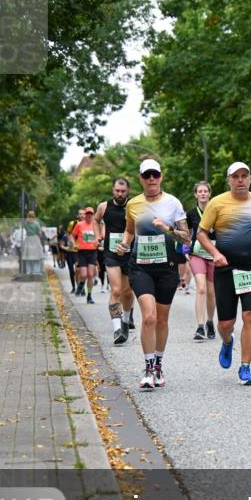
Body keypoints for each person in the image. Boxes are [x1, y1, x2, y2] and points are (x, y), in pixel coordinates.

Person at [196, 162, 251, 386]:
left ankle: (245, 367)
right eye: (235, 177)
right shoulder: (217, 202)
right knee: (225, 325)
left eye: (244, 176)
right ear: (229, 180)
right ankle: (228, 341)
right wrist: (214, 253)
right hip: (225, 268)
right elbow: (201, 233)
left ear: (250, 179)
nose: (240, 180)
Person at [115, 159, 189, 390]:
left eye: (155, 175)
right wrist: (124, 244)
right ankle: (147, 368)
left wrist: (166, 229)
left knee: (162, 319)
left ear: (161, 177)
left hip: (167, 267)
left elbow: (186, 238)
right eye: (146, 176)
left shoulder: (173, 203)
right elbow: (129, 231)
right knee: (149, 317)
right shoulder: (133, 204)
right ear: (140, 179)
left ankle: (158, 364)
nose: (151, 180)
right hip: (140, 267)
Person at [95, 177, 136, 345]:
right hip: (111, 253)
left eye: (123, 191)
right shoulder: (104, 207)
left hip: (129, 253)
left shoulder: (133, 207)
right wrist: (98, 235)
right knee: (117, 290)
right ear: (113, 190)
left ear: (128, 191)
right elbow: (96, 221)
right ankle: (117, 329)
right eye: (117, 191)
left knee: (127, 292)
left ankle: (126, 320)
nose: (120, 194)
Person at [185, 181, 217, 341]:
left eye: (205, 191)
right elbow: (184, 233)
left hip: (213, 255)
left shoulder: (217, 211)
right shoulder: (191, 214)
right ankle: (199, 326)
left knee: (211, 292)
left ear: (209, 194)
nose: (203, 193)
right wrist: (184, 247)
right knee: (202, 288)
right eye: (200, 191)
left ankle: (210, 322)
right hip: (197, 254)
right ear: (196, 194)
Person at [71, 208, 99, 301]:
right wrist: (74, 244)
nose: (89, 215)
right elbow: (72, 235)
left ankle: (89, 296)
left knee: (90, 274)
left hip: (92, 252)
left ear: (93, 215)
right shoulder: (79, 224)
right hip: (82, 252)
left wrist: (98, 241)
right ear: (85, 215)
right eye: (87, 214)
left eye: (91, 214)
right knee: (83, 275)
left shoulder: (95, 225)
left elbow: (99, 236)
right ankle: (81, 285)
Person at [21, 211, 45, 276]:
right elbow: (39, 232)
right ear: (34, 215)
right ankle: (36, 271)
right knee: (36, 256)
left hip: (28, 239)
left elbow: (24, 228)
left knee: (28, 255)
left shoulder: (25, 223)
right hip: (35, 239)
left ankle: (28, 271)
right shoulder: (36, 223)